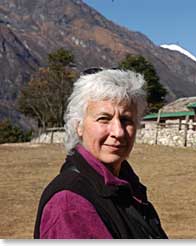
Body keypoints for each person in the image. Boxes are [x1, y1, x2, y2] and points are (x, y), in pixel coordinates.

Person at [34, 69, 168, 239]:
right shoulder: (70, 205)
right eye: (104, 118)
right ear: (79, 126)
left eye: (126, 120)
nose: (118, 132)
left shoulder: (125, 186)